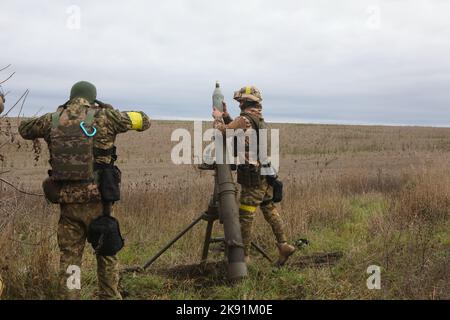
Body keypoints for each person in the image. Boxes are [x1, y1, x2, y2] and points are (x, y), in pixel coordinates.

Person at [19, 81, 151, 299]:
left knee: (70, 259)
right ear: (92, 98)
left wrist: (58, 114)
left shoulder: (51, 120)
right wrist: (109, 110)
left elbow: (24, 128)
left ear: (71, 97)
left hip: (68, 205)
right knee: (106, 254)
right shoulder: (107, 117)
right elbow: (144, 120)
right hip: (101, 203)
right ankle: (109, 295)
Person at [212, 86, 295, 266]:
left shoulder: (244, 119)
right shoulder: (256, 118)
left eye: (240, 101)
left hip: (253, 177)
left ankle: (245, 257)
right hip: (265, 174)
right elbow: (240, 128)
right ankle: (283, 245)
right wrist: (227, 116)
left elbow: (223, 131)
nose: (239, 104)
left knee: (245, 216)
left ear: (245, 102)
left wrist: (218, 118)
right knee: (269, 209)